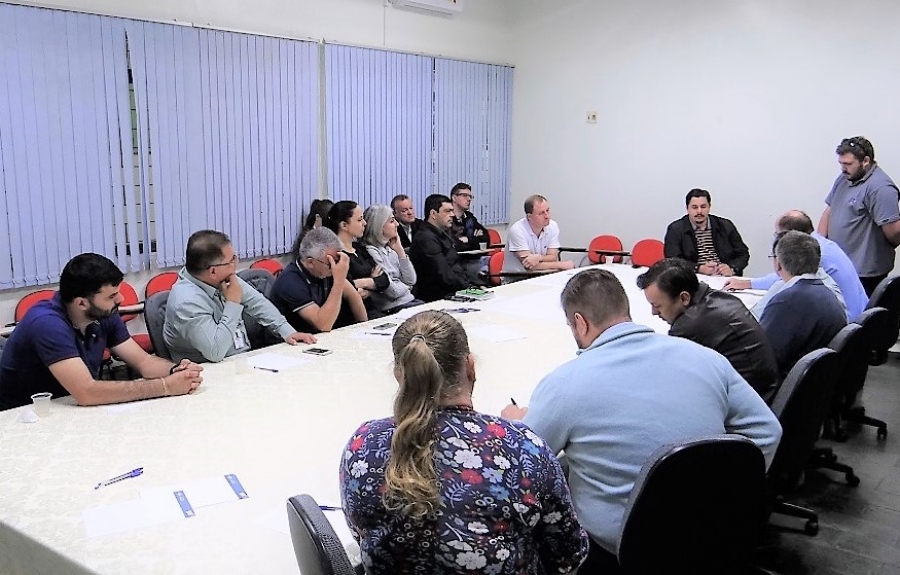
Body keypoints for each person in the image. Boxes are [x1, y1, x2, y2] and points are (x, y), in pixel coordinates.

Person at [500, 269, 781, 570]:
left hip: (620, 549)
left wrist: (519, 425)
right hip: (712, 530)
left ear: (580, 323)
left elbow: (523, 466)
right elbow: (768, 430)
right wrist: (729, 490)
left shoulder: (565, 383)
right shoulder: (706, 358)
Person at [340, 310, 589, 574]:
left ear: (400, 375)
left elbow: (363, 536)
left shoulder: (363, 444)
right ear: (470, 366)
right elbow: (567, 557)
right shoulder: (523, 447)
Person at [0, 253, 203, 410]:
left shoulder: (102, 313)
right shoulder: (46, 323)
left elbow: (143, 361)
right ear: (81, 303)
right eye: (112, 295)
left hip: (68, 406)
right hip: (24, 415)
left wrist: (176, 371)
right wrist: (165, 387)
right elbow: (86, 392)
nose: (121, 300)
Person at [638, 258, 780, 402]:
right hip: (764, 391)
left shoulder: (689, 325)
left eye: (657, 305)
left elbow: (669, 379)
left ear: (684, 298)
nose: (654, 312)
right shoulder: (717, 297)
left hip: (751, 405)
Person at [164, 230, 316, 363]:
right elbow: (215, 352)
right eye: (231, 261)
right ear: (212, 272)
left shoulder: (221, 278)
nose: (235, 264)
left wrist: (287, 332)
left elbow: (258, 303)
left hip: (240, 361)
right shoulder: (186, 302)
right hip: (208, 375)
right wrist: (233, 303)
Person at [725, 210, 867, 321]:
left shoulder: (812, 254)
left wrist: (748, 283)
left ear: (791, 237)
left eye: (778, 234)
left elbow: (786, 277)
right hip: (857, 315)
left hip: (846, 319)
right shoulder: (823, 244)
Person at [818, 136, 900, 296]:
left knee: (860, 317)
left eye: (848, 164)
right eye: (841, 163)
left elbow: (894, 232)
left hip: (864, 274)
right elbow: (830, 210)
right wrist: (820, 245)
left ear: (866, 161)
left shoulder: (881, 188)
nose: (843, 168)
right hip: (839, 266)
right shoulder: (844, 178)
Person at [760, 231, 847, 379]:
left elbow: (762, 357)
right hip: (816, 383)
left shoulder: (787, 301)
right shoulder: (826, 293)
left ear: (779, 263)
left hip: (788, 386)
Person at [269, 227, 368, 333]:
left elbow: (353, 295)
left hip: (316, 338)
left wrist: (364, 328)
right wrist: (339, 281)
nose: (335, 266)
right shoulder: (290, 282)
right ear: (311, 262)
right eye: (330, 263)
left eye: (337, 260)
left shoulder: (324, 270)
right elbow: (323, 325)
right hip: (287, 342)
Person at [664, 188, 750, 276]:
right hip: (692, 277)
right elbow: (673, 260)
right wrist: (698, 268)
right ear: (687, 208)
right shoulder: (675, 229)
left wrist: (732, 268)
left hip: (724, 277)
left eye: (703, 206)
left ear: (709, 207)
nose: (699, 211)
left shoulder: (725, 225)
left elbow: (743, 253)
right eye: (694, 207)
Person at [326, 200, 389, 316]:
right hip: (352, 315)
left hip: (374, 309)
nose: (365, 223)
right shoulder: (336, 255)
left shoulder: (360, 249)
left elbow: (384, 279)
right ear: (344, 225)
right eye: (359, 220)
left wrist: (363, 283)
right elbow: (345, 286)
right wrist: (372, 282)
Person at [409, 194, 473, 302]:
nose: (452, 215)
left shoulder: (443, 233)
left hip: (454, 289)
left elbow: (455, 265)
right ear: (433, 214)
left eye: (452, 211)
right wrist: (468, 288)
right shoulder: (425, 238)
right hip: (438, 296)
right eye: (447, 211)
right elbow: (443, 274)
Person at [362, 204, 423, 313]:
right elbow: (392, 292)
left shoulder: (391, 248)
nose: (397, 224)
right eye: (391, 221)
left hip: (411, 301)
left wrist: (400, 251)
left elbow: (412, 279)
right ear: (379, 226)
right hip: (394, 308)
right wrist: (408, 286)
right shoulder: (371, 252)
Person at [503, 194, 575, 274]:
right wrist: (561, 265)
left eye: (547, 210)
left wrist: (539, 257)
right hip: (516, 279)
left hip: (542, 275)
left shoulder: (552, 226)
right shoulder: (517, 230)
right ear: (529, 216)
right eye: (541, 213)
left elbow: (553, 257)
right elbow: (530, 266)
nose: (547, 216)